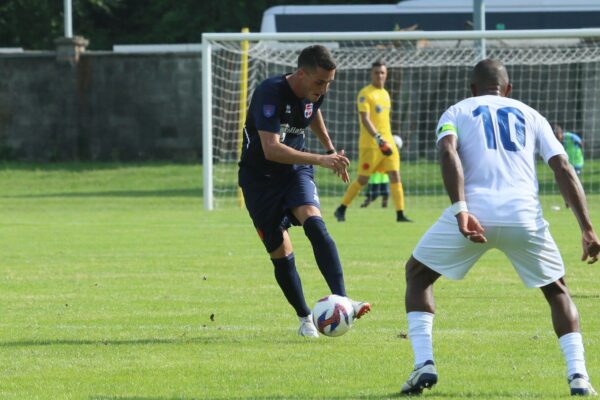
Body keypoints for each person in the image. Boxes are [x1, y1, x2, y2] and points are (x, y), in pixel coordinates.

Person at [400, 59, 600, 396]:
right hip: (525, 217)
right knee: (557, 291)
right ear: (508, 89)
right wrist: (588, 229)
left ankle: (424, 363)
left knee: (418, 274)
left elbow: (448, 152)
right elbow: (562, 166)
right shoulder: (531, 114)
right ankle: (578, 375)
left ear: (473, 89)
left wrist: (460, 210)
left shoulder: (457, 111)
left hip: (473, 213)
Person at [238, 45, 371, 338]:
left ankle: (344, 300)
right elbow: (271, 149)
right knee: (280, 251)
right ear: (300, 74)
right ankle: (305, 319)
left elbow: (313, 114)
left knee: (315, 223)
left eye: (328, 83)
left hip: (296, 172)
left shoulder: (314, 93)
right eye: (319, 83)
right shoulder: (269, 93)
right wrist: (322, 159)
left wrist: (330, 149)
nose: (323, 90)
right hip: (259, 180)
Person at [333, 61, 412, 222]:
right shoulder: (365, 94)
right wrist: (378, 139)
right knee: (363, 179)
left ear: (386, 74)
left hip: (388, 142)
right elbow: (365, 118)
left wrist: (386, 140)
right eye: (376, 72)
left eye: (382, 72)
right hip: (371, 144)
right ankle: (341, 208)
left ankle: (400, 214)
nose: (380, 75)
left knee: (395, 175)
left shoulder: (385, 94)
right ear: (371, 74)